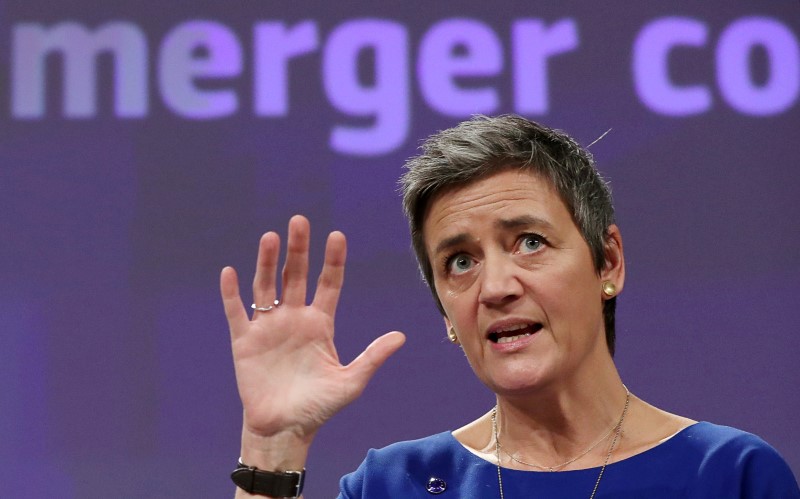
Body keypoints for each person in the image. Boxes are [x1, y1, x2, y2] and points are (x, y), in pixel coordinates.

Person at [221, 115, 800, 498]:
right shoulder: (392, 486)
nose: (495, 287)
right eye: (460, 262)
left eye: (529, 242)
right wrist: (271, 448)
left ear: (608, 263)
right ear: (447, 315)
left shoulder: (729, 475)